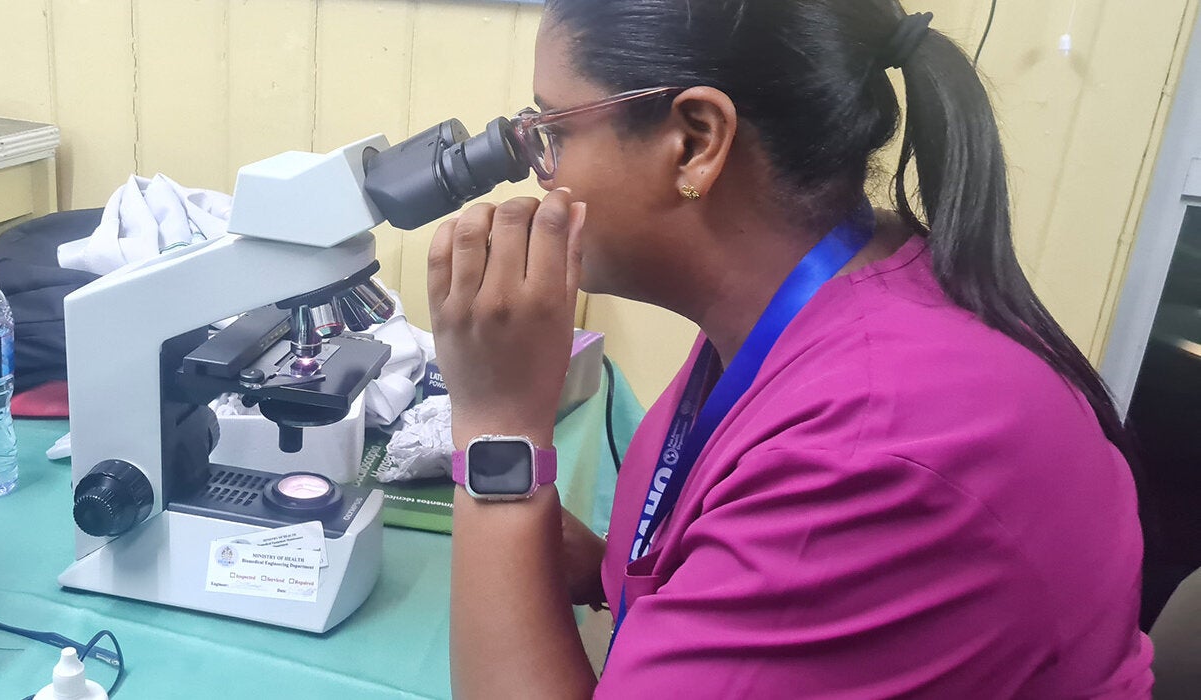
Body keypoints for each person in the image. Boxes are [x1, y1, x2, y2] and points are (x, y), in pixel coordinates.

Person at [425, 1, 1154, 697]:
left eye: (553, 132)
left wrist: (500, 425)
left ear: (695, 141)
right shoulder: (824, 291)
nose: (538, 173)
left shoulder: (880, 445)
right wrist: (601, 570)